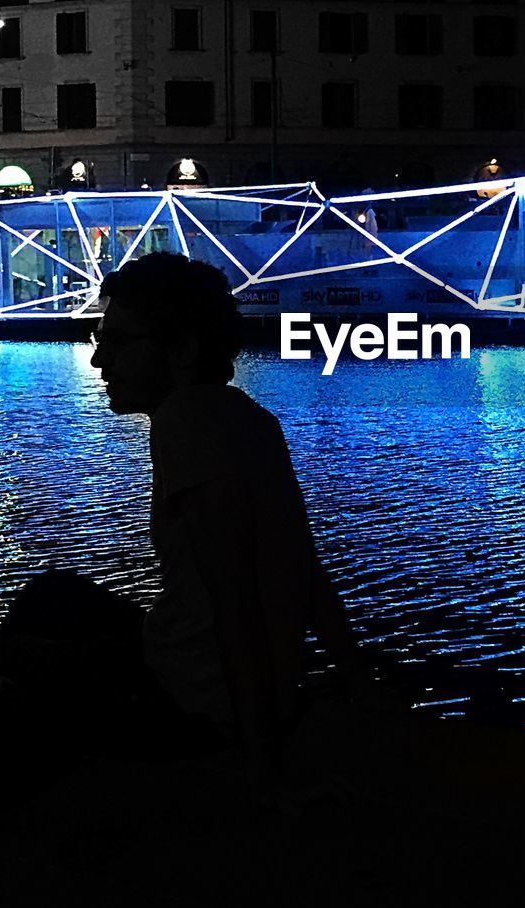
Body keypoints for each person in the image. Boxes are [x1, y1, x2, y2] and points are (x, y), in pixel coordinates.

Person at [88, 251, 373, 806]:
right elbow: (304, 568)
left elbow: (234, 599)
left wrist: (260, 766)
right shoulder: (250, 418)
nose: (101, 361)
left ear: (183, 351)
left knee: (35, 630)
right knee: (78, 609)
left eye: (118, 341)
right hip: (246, 696)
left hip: (190, 701)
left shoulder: (184, 421)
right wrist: (359, 682)